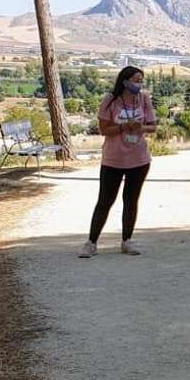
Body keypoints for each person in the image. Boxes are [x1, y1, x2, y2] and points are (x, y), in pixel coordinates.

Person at [79, 66, 157, 258]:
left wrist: (141, 127)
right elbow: (104, 129)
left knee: (131, 201)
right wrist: (123, 127)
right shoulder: (111, 100)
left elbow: (153, 126)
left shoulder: (144, 99)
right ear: (124, 81)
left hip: (139, 158)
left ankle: (127, 241)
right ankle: (91, 243)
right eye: (136, 80)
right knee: (105, 201)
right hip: (113, 159)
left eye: (141, 80)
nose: (139, 83)